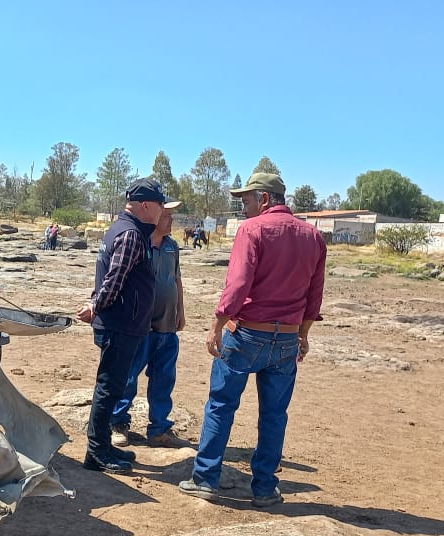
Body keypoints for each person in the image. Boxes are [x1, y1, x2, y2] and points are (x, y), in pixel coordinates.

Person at [178, 172, 325, 507]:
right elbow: (315, 294)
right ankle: (264, 488)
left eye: (245, 201)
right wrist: (303, 334)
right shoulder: (313, 236)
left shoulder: (253, 229)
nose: (242, 208)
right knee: (274, 415)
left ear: (264, 199)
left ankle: (205, 479)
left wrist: (217, 324)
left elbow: (238, 283)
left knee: (221, 405)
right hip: (286, 339)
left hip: (245, 333)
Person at [76, 178, 178, 474]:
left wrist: (96, 302)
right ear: (146, 205)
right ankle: (96, 453)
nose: (162, 211)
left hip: (122, 323)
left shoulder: (123, 229)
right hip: (120, 324)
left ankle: (103, 446)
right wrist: (97, 304)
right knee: (109, 388)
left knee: (112, 386)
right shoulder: (131, 235)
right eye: (160, 205)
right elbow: (115, 279)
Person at [111, 205, 190, 449]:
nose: (171, 220)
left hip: (167, 325)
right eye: (167, 216)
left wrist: (180, 311)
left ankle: (159, 430)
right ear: (154, 217)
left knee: (164, 379)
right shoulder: (137, 242)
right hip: (139, 326)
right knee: (128, 377)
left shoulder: (172, 246)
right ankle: (118, 424)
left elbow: (176, 279)